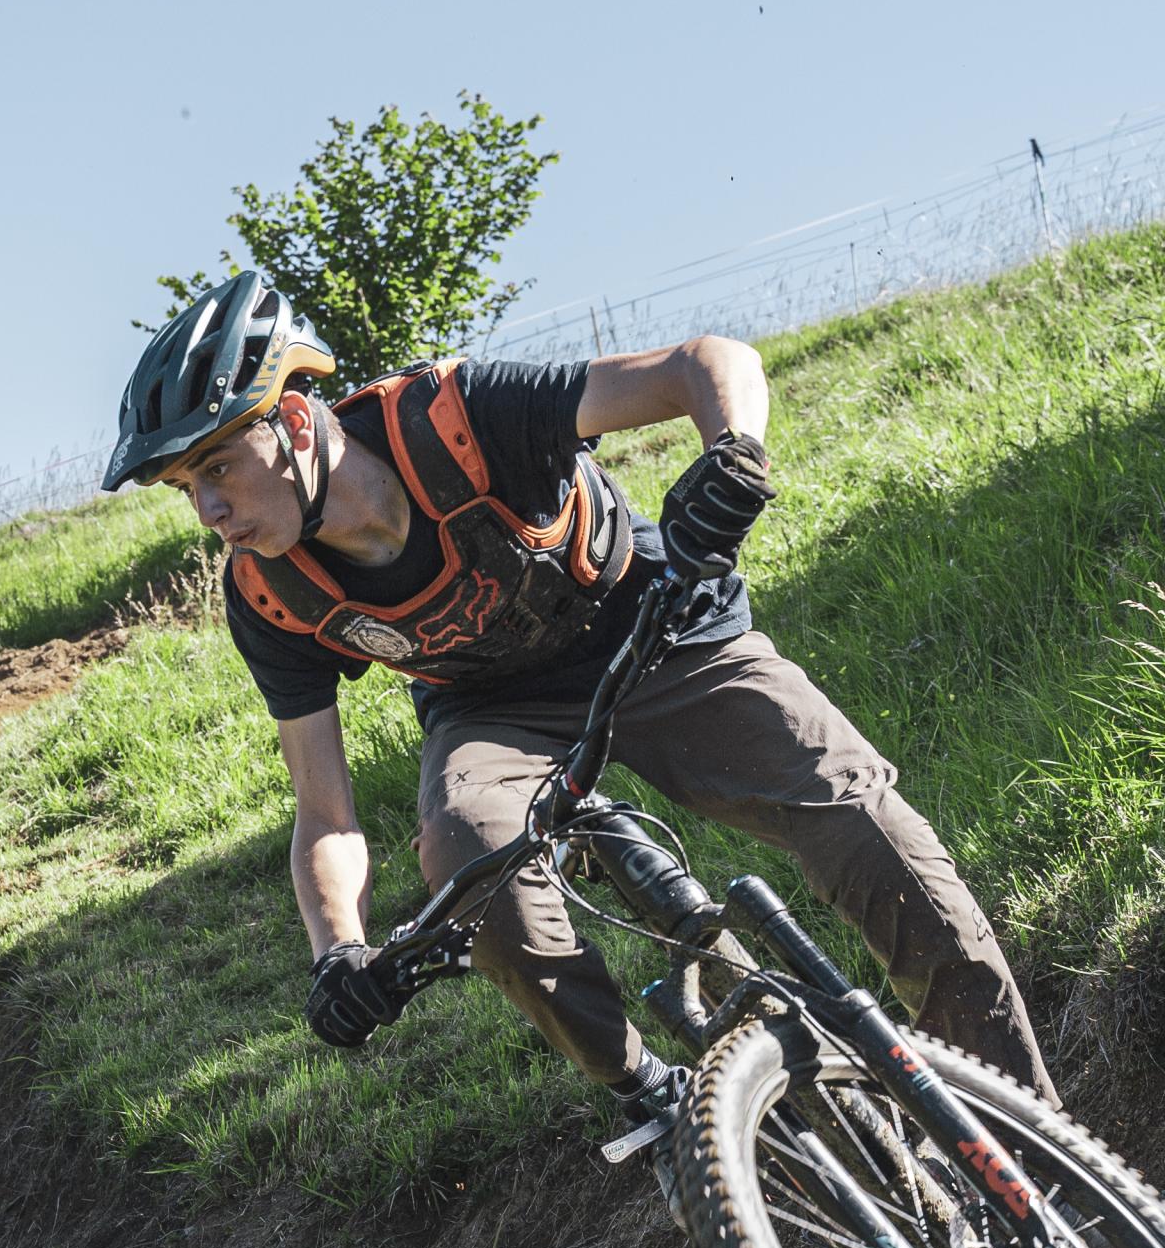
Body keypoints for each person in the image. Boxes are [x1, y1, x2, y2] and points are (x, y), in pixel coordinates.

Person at [101, 273, 1049, 1152]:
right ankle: (657, 1094)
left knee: (858, 819)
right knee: (467, 853)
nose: (211, 510)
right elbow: (325, 812)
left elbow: (709, 364)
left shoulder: (456, 417)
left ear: (298, 423)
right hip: (496, 711)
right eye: (190, 488)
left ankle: (1027, 1138)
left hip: (661, 633)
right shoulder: (271, 594)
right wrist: (336, 951)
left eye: (222, 465)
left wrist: (735, 457)